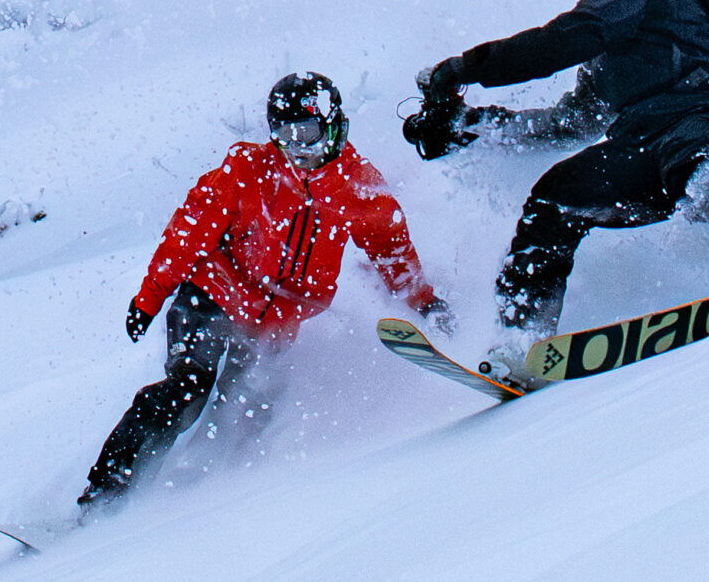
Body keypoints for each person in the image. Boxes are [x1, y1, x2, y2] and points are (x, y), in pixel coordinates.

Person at [80, 72, 446, 510]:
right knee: (188, 389)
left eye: (307, 134)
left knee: (245, 409)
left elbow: (391, 248)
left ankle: (199, 498)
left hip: (273, 324)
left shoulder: (357, 186)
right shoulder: (247, 171)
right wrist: (149, 298)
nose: (298, 149)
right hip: (210, 298)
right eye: (286, 136)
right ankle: (107, 492)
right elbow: (187, 234)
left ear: (333, 127)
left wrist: (424, 301)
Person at [414, 0, 709, 341]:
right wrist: (471, 126)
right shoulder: (608, 30)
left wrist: (465, 68)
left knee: (691, 161)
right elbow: (568, 123)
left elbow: (568, 37)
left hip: (706, 117)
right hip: (643, 144)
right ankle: (522, 341)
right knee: (555, 198)